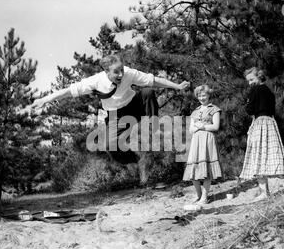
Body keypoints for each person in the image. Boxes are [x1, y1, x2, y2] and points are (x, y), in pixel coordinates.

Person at [30, 53, 190, 174]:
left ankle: (152, 129)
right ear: (106, 71)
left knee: (147, 92)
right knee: (109, 146)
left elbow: (153, 80)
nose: (121, 74)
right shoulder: (95, 81)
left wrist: (177, 86)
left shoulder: (128, 73)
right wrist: (46, 99)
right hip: (116, 115)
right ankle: (137, 161)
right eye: (116, 72)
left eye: (121, 70)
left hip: (135, 104)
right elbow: (68, 92)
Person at [239, 67, 284, 200]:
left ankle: (264, 192)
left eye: (252, 79)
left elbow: (250, 110)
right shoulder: (269, 91)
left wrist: (247, 104)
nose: (250, 83)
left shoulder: (255, 90)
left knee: (258, 156)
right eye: (248, 81)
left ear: (259, 77)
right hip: (270, 122)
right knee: (267, 155)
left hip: (260, 123)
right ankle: (266, 190)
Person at [183, 85, 222, 209]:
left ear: (209, 95)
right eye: (199, 95)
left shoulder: (214, 109)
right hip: (196, 140)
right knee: (192, 169)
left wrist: (202, 126)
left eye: (204, 95)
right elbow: (191, 129)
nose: (201, 97)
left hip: (208, 139)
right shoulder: (195, 111)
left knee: (206, 169)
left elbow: (215, 127)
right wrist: (196, 127)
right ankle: (198, 194)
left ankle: (205, 197)